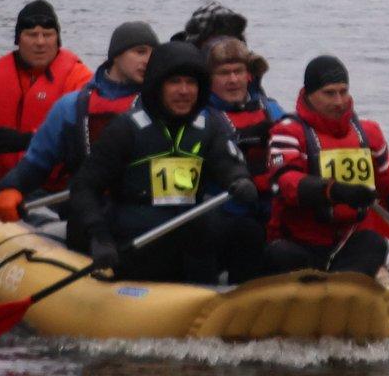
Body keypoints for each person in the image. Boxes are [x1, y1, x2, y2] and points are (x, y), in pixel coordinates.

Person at [68, 41, 256, 284]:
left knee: (246, 230)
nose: (184, 91)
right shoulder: (126, 129)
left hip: (188, 228)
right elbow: (84, 187)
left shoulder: (208, 127)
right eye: (174, 82)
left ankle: (238, 293)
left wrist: (239, 179)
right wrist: (99, 237)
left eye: (191, 83)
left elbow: (228, 164)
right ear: (157, 86)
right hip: (137, 235)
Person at [0, 20, 159, 244]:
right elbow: (36, 163)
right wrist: (11, 187)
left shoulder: (160, 105)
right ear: (116, 55)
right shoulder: (70, 107)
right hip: (86, 213)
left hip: (142, 215)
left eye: (153, 54)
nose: (148, 60)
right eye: (140, 52)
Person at [263, 56, 389, 277]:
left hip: (350, 243)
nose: (339, 101)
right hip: (300, 243)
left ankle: (346, 284)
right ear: (309, 94)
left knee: (376, 243)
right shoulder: (287, 132)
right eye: (329, 93)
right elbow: (286, 183)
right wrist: (336, 191)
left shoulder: (369, 133)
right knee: (278, 254)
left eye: (343, 91)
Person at [0, 0, 92, 209]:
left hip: (57, 191)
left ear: (58, 39)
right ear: (18, 39)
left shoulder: (80, 81)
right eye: (32, 35)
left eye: (48, 35)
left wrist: (27, 141)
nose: (40, 42)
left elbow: (90, 139)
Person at [204, 35, 284, 282]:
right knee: (246, 232)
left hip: (270, 209)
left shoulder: (272, 110)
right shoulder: (201, 117)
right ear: (208, 78)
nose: (233, 80)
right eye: (223, 73)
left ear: (249, 75)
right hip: (225, 213)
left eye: (238, 71)